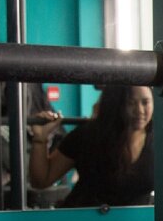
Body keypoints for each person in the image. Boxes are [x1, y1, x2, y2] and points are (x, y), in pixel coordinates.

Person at [27, 85, 155, 208]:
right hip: (85, 219)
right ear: (116, 104)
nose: (139, 111)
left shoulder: (160, 141)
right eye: (131, 103)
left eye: (145, 102)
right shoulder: (87, 136)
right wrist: (40, 138)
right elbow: (41, 180)